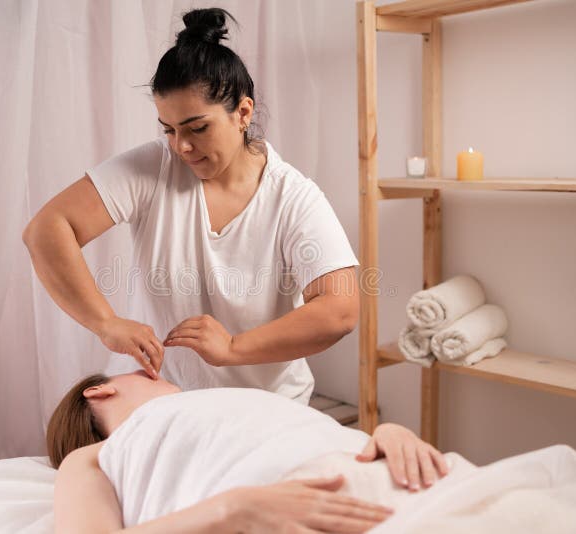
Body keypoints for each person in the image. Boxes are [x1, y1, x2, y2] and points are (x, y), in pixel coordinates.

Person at [22, 7, 360, 404]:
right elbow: (46, 230)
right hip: (158, 402)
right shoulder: (153, 168)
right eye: (169, 129)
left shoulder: (294, 197)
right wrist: (104, 322)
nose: (181, 146)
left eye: (198, 128)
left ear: (243, 113)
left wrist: (233, 348)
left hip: (265, 410)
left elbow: (339, 310)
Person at [47, 371, 453, 533]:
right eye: (136, 373)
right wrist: (233, 508)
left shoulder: (216, 406)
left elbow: (306, 435)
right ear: (99, 390)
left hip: (399, 481)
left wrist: (387, 434)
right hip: (285, 511)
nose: (154, 372)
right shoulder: (99, 453)